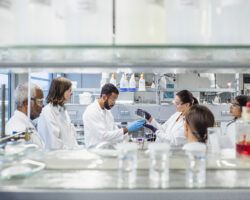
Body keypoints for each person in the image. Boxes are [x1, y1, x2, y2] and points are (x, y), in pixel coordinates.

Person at [83, 83, 145, 148]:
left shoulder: (107, 112)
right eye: (113, 100)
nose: (114, 103)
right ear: (104, 97)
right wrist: (127, 129)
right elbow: (103, 136)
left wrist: (130, 130)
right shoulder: (91, 111)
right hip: (95, 153)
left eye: (115, 100)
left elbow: (115, 134)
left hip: (107, 151)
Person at [37, 77, 78, 150]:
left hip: (67, 155)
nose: (71, 93)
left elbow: (71, 135)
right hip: (57, 157)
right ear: (61, 91)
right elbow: (54, 143)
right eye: (69, 90)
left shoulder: (63, 110)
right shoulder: (47, 112)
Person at [6, 82, 45, 148]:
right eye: (40, 102)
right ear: (27, 103)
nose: (43, 106)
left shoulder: (26, 123)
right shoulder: (17, 127)